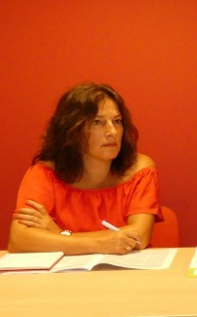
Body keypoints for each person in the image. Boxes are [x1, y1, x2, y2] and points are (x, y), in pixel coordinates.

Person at [9, 83, 161, 254]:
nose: (112, 131)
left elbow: (139, 237)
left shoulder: (140, 170)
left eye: (117, 121)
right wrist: (101, 243)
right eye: (97, 122)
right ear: (71, 129)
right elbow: (19, 240)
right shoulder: (44, 174)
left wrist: (61, 234)